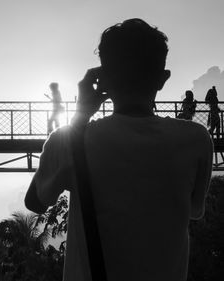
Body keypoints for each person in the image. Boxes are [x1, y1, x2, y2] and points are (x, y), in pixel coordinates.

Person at [25, 19, 212, 281]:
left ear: (103, 79)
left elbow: (35, 201)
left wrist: (80, 116)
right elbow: (194, 210)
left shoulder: (72, 140)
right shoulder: (196, 140)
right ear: (163, 78)